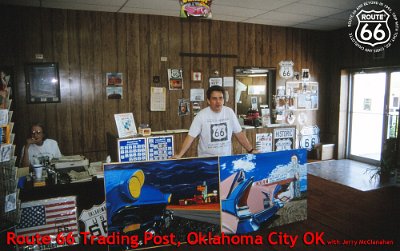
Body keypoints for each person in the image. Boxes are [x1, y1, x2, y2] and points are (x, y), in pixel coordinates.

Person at [173, 85, 257, 158]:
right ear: (208, 101)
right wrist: (179, 154)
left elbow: (239, 134)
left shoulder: (229, 112)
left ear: (224, 100)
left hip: (225, 158)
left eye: (220, 98)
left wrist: (250, 150)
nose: (218, 102)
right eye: (214, 99)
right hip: (206, 160)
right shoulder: (201, 115)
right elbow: (190, 136)